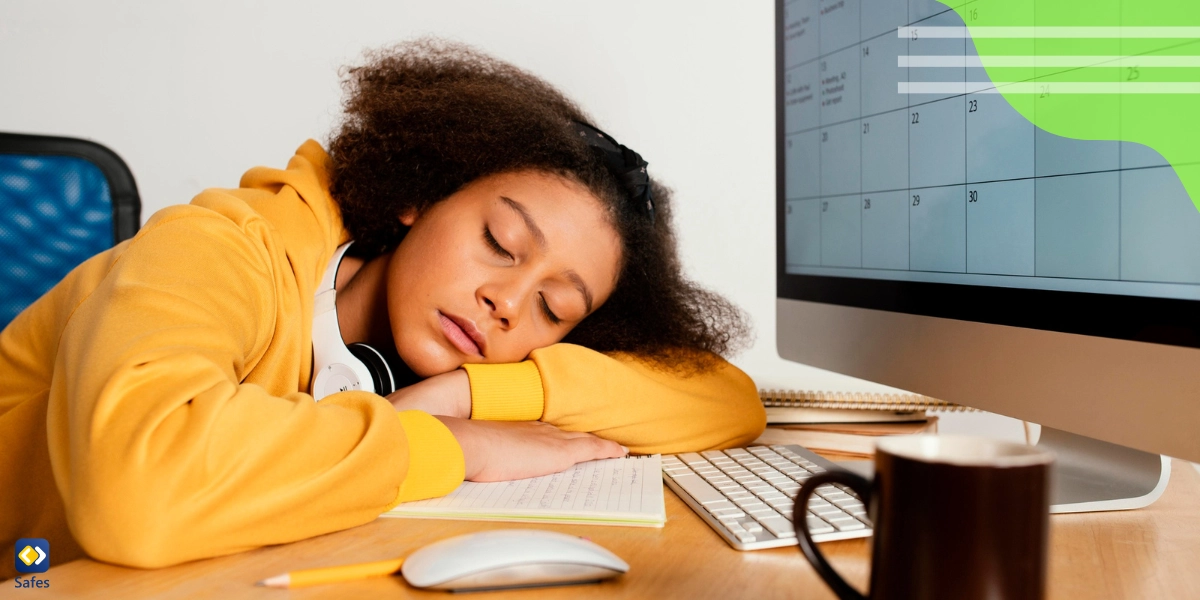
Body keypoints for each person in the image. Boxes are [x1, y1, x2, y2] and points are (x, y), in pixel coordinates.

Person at [0, 40, 764, 576]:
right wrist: (447, 443)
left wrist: (481, 392)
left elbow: (727, 402)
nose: (506, 303)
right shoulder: (216, 246)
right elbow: (138, 494)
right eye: (500, 241)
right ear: (416, 196)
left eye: (555, 307)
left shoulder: (476, 353)